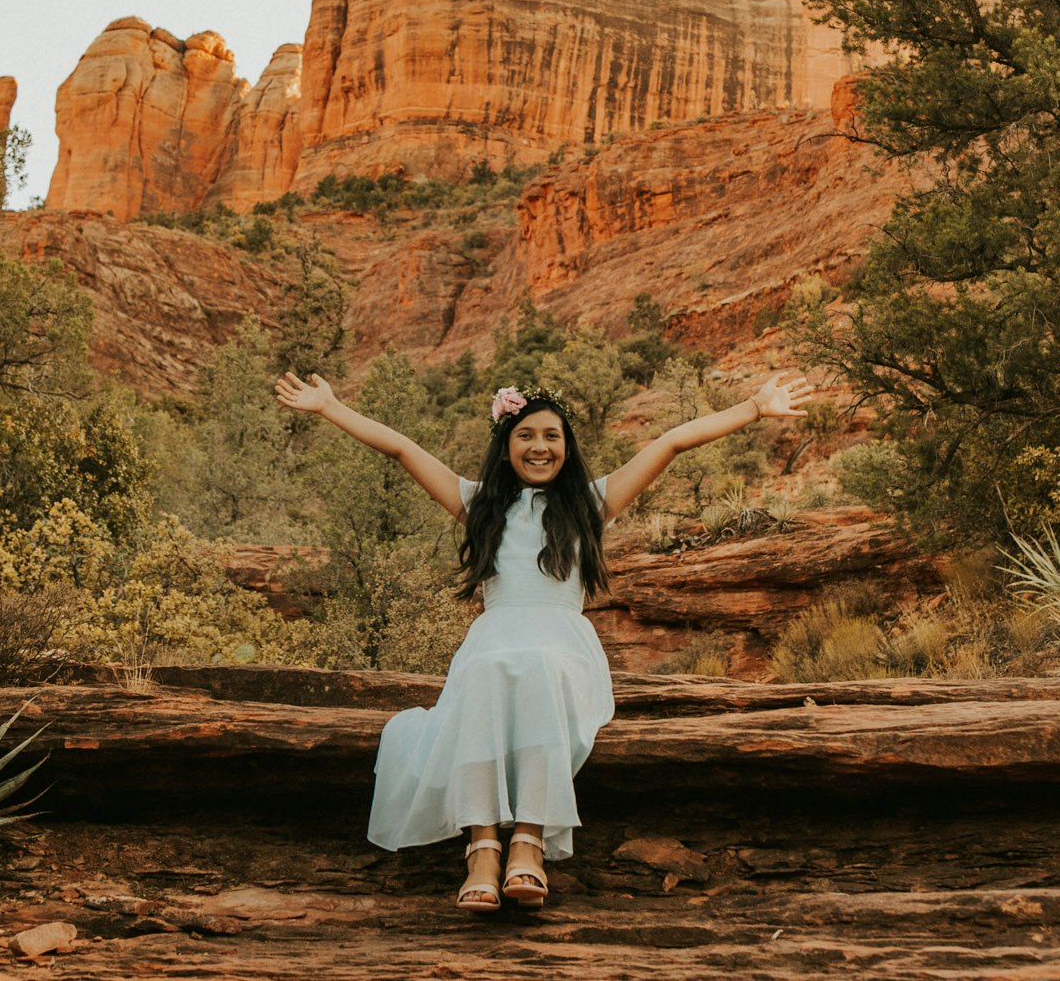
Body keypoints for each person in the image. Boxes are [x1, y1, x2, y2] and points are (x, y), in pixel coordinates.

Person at [273, 366, 813, 912]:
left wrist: (755, 408)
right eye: (525, 435)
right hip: (493, 640)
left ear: (567, 446)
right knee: (485, 671)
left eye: (551, 436)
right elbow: (402, 449)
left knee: (540, 667)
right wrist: (329, 407)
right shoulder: (477, 503)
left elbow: (671, 443)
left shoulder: (592, 503)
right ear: (506, 445)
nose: (539, 446)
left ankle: (528, 841)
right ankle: (482, 847)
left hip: (563, 646)